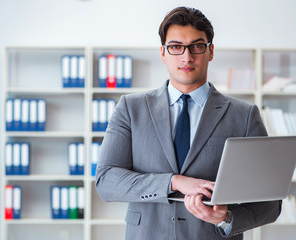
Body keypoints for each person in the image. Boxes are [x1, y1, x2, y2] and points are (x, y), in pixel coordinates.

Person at [95, 6, 281, 240]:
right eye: (175, 47)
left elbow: (270, 202)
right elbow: (106, 181)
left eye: (197, 46)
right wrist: (174, 182)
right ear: (163, 53)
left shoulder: (243, 115)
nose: (187, 57)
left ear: (210, 51)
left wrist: (226, 218)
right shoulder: (131, 109)